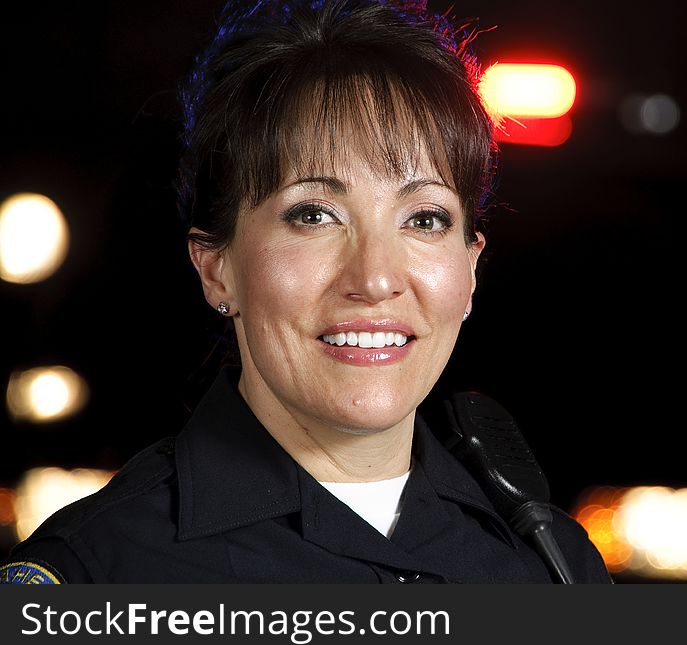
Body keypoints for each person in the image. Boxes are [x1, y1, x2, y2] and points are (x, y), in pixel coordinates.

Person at [1, 0, 612, 584]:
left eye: (424, 219)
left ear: (471, 270)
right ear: (217, 269)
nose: (374, 280)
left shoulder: (550, 565)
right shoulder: (96, 575)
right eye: (314, 215)